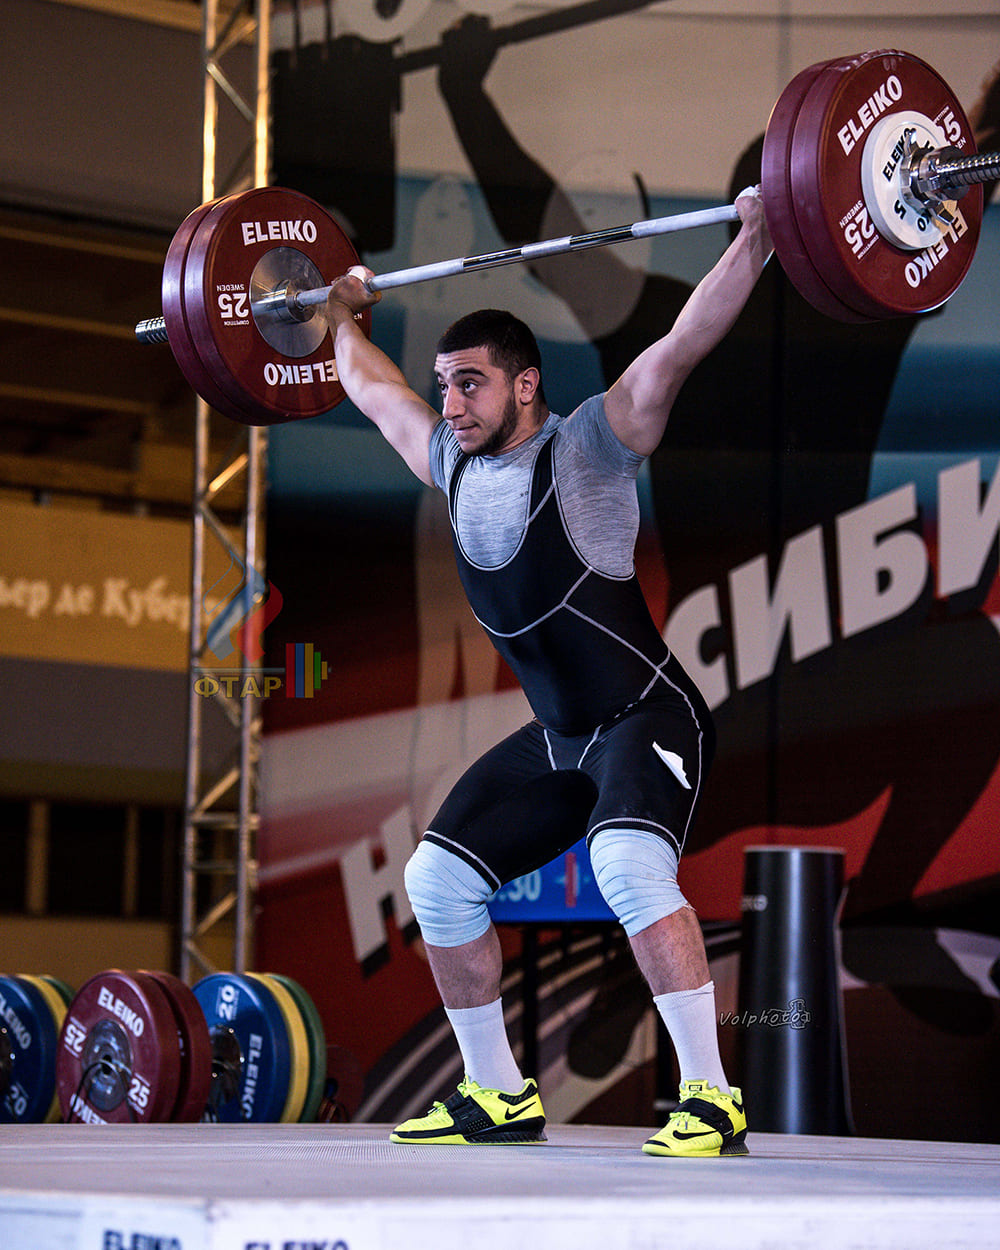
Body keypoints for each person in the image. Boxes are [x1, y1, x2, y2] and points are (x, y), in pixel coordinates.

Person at [325, 187, 773, 1156]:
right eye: (445, 385)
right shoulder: (448, 460)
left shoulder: (590, 449)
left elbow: (679, 349)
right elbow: (372, 388)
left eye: (471, 384)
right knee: (436, 880)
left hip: (648, 716)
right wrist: (335, 313)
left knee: (626, 865)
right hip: (563, 739)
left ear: (525, 385)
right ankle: (496, 1093)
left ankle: (712, 1094)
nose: (450, 404)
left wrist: (759, 237)